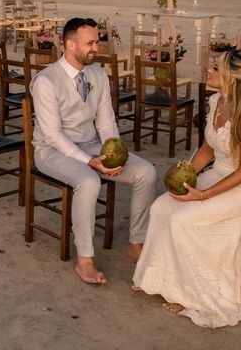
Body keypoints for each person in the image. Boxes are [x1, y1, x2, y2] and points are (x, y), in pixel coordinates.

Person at [133, 48, 241, 328]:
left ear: (231, 78)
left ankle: (192, 295)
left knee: (183, 218)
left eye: (214, 68)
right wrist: (187, 173)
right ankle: (160, 279)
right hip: (219, 173)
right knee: (161, 207)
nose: (208, 71)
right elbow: (208, 148)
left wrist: (203, 196)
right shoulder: (216, 101)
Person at [31, 18, 157, 284]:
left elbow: (106, 121)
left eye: (96, 42)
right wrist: (90, 162)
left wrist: (113, 154)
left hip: (92, 145)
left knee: (146, 172)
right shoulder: (46, 81)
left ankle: (137, 242)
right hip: (52, 151)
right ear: (69, 44)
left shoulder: (97, 74)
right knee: (88, 181)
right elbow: (52, 134)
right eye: (90, 43)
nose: (95, 48)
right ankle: (85, 260)